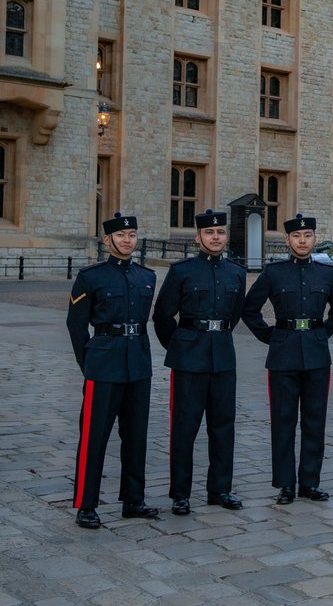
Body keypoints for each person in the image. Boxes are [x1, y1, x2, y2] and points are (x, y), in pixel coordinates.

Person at [242, 213, 333, 504]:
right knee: (283, 421)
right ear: (287, 240)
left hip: (316, 355)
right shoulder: (274, 273)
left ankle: (310, 482)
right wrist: (270, 336)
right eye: (297, 236)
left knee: (315, 421)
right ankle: (286, 483)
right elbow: (249, 310)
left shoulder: (326, 274)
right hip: (283, 354)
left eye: (308, 236)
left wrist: (322, 333)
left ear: (315, 238)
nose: (302, 241)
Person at [151, 208, 247, 516]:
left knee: (223, 427)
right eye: (210, 233)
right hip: (189, 358)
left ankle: (220, 489)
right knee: (185, 427)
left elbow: (233, 315)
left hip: (223, 356)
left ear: (225, 236)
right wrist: (180, 345)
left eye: (220, 233)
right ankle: (180, 493)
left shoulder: (237, 272)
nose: (216, 237)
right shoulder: (182, 271)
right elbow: (163, 315)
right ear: (199, 237)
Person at [67, 212, 158, 529]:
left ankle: (133, 500)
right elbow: (76, 327)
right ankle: (86, 504)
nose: (127, 240)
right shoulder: (90, 278)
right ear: (107, 240)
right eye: (121, 236)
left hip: (138, 365)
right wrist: (89, 365)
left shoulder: (147, 276)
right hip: (103, 365)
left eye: (132, 235)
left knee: (136, 437)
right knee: (94, 438)